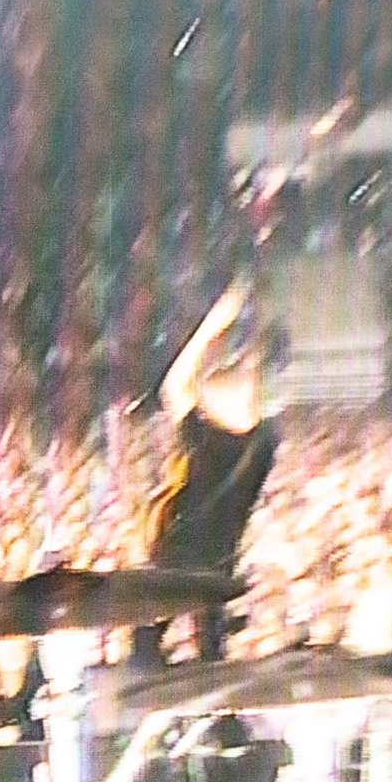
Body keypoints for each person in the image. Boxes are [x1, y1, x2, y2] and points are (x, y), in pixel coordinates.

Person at [142, 281, 274, 665]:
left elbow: (176, 387)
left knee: (193, 651)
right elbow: (176, 388)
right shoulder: (224, 438)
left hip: (196, 569)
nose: (215, 378)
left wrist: (214, 325)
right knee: (177, 650)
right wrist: (217, 325)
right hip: (192, 568)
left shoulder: (243, 445)